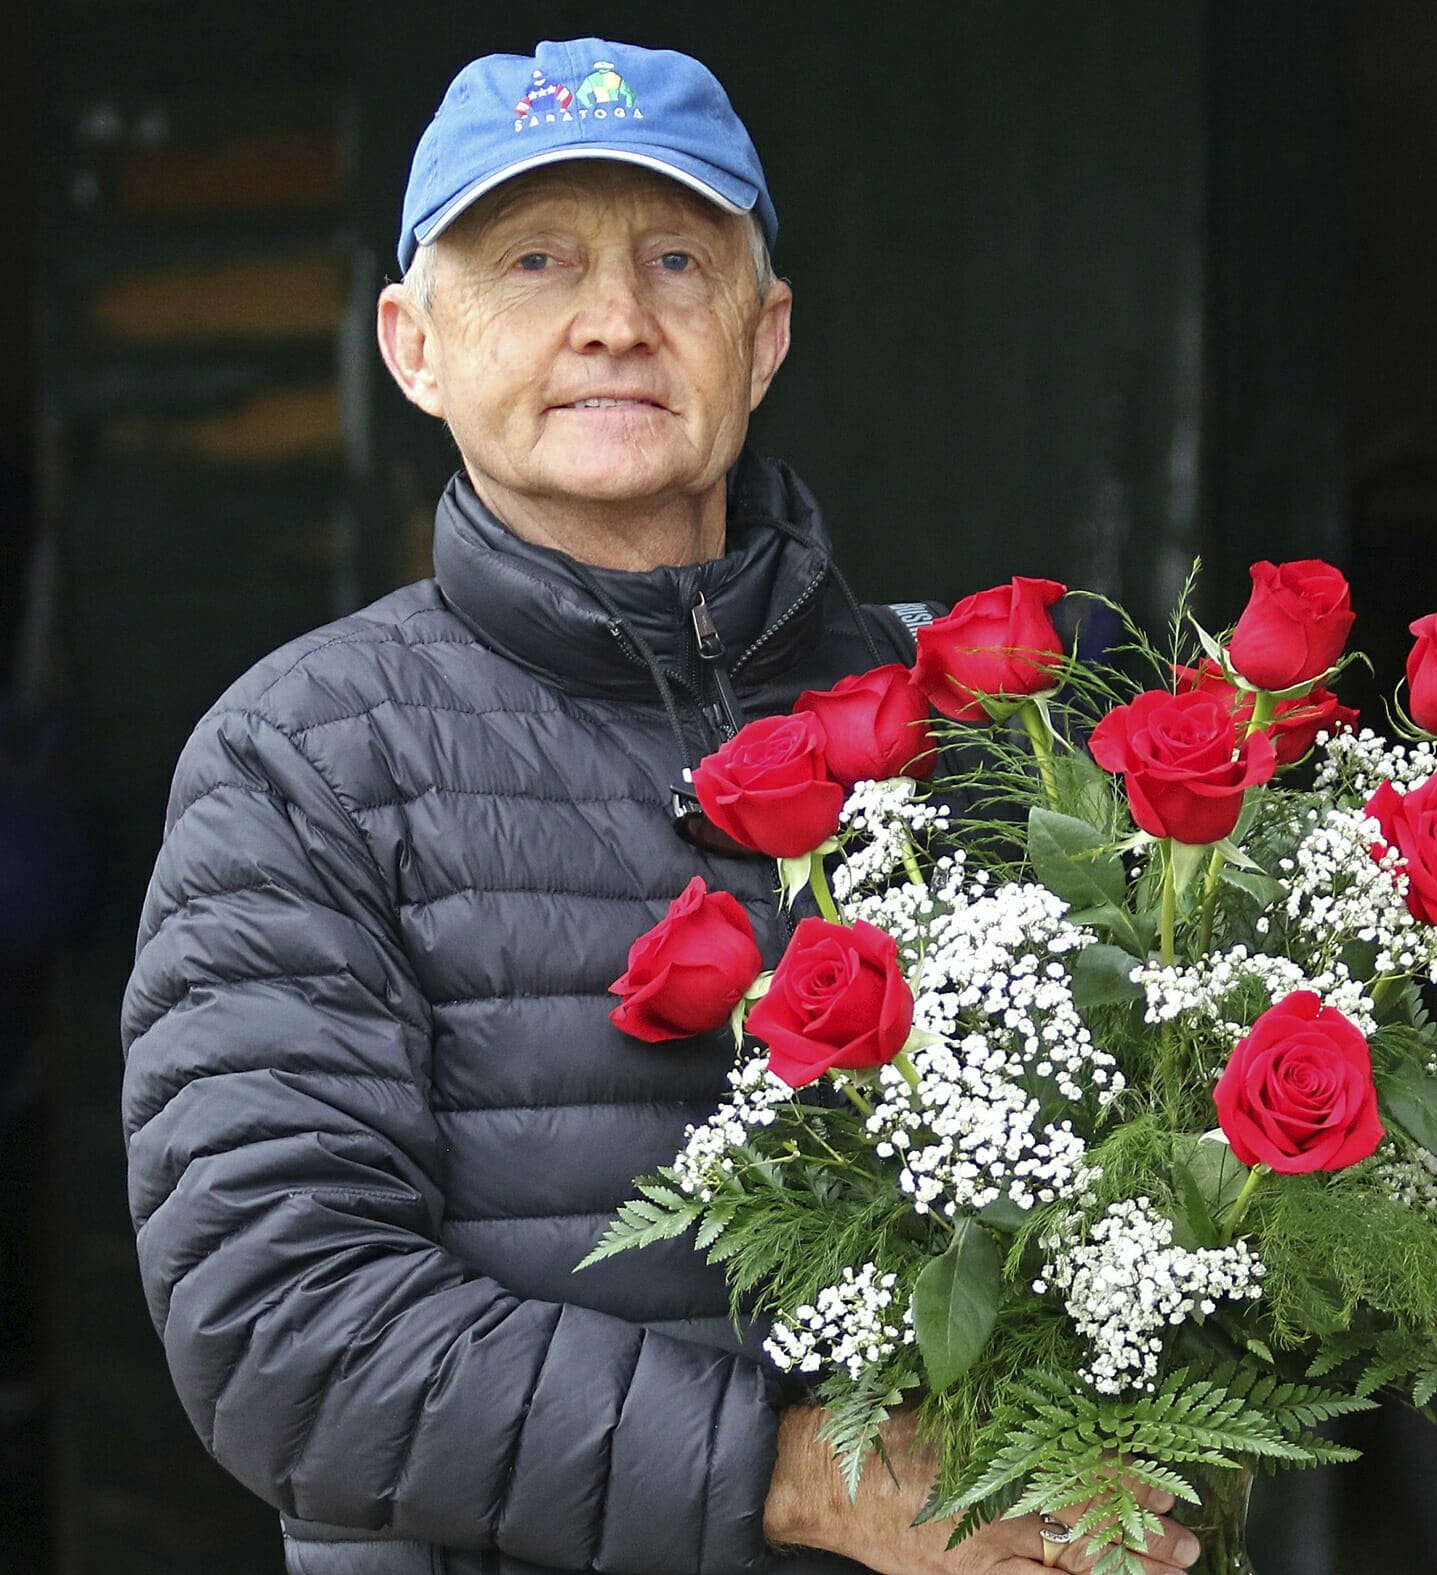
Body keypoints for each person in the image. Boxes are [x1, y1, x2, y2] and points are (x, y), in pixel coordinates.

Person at [118, 39, 1196, 1575]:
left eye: (676, 258)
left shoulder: (979, 716)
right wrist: (800, 1475)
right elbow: (282, 1330)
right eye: (535, 261)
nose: (615, 322)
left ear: (762, 338)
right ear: (415, 346)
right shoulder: (306, 758)